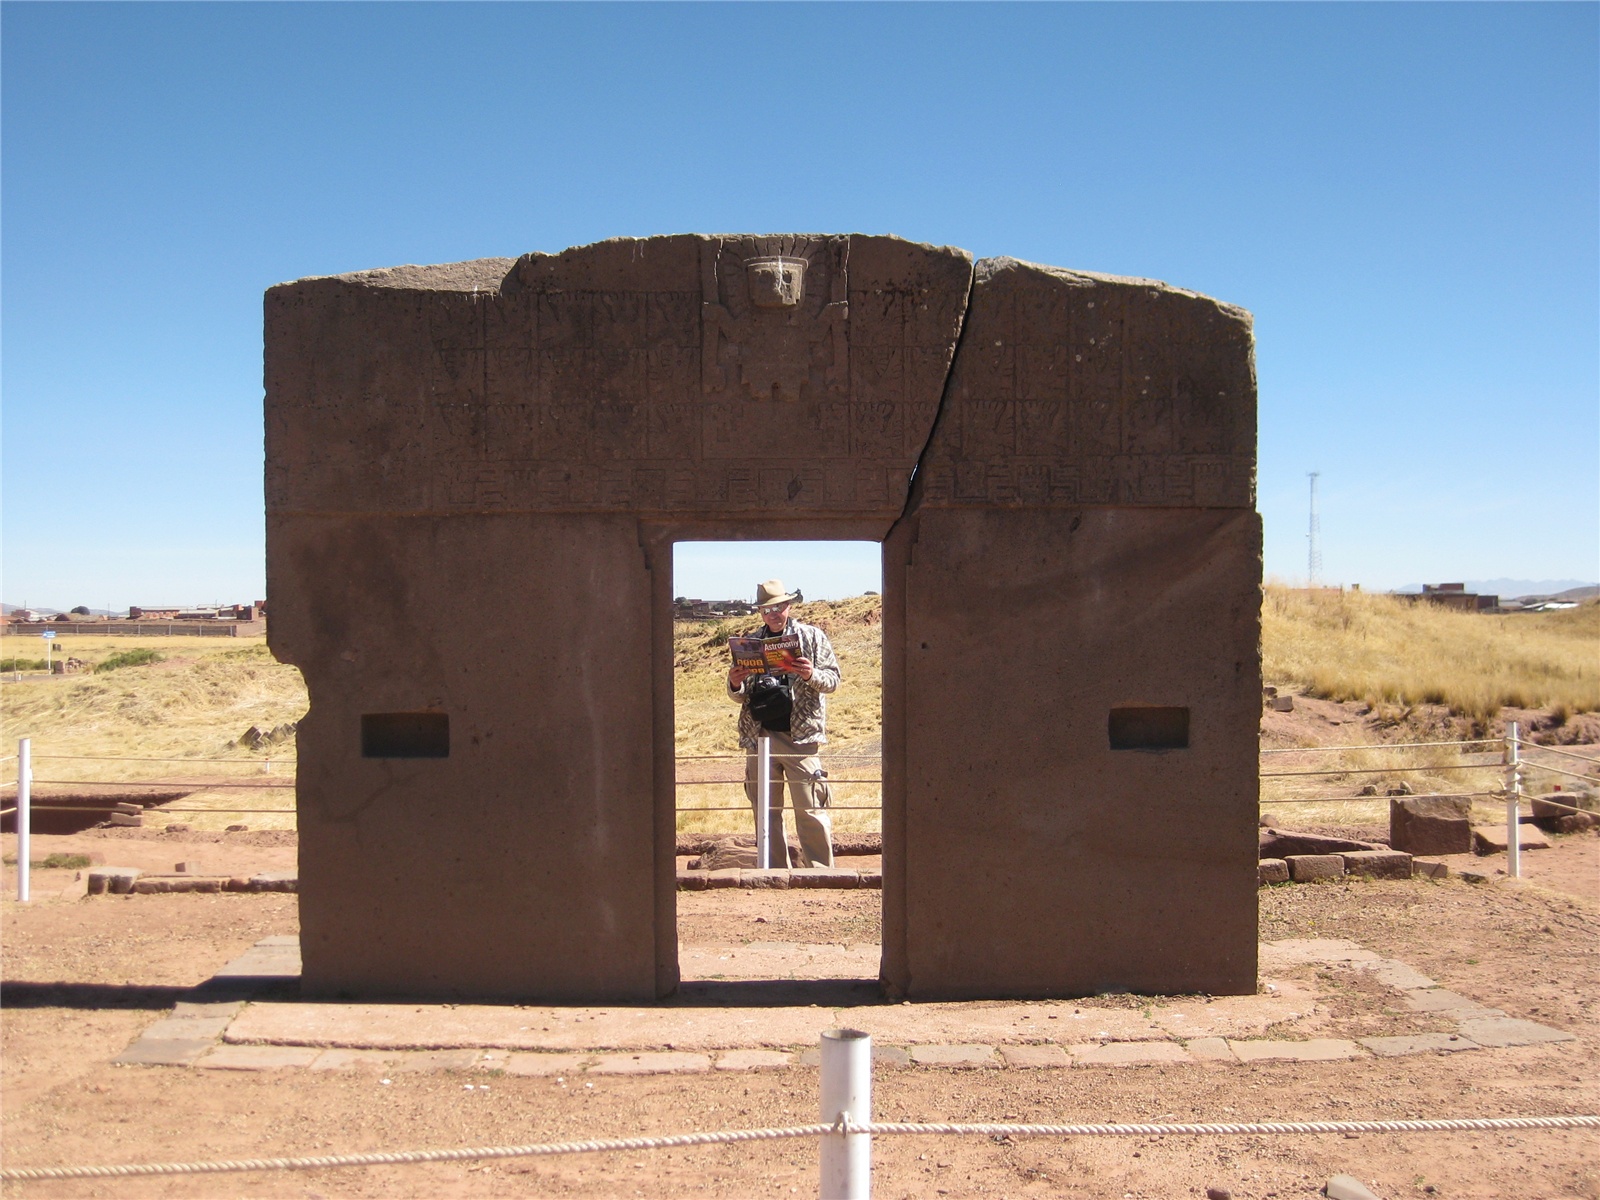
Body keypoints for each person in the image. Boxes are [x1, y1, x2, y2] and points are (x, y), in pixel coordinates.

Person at [726, 579, 840, 868]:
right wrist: (734, 683)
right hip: (759, 735)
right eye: (767, 609)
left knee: (810, 807)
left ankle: (821, 873)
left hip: (801, 738)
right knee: (765, 810)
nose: (773, 614)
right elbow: (739, 696)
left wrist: (810, 674)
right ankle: (772, 871)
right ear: (761, 613)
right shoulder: (750, 643)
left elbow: (833, 681)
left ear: (789, 606)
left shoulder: (812, 638)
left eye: (778, 607)